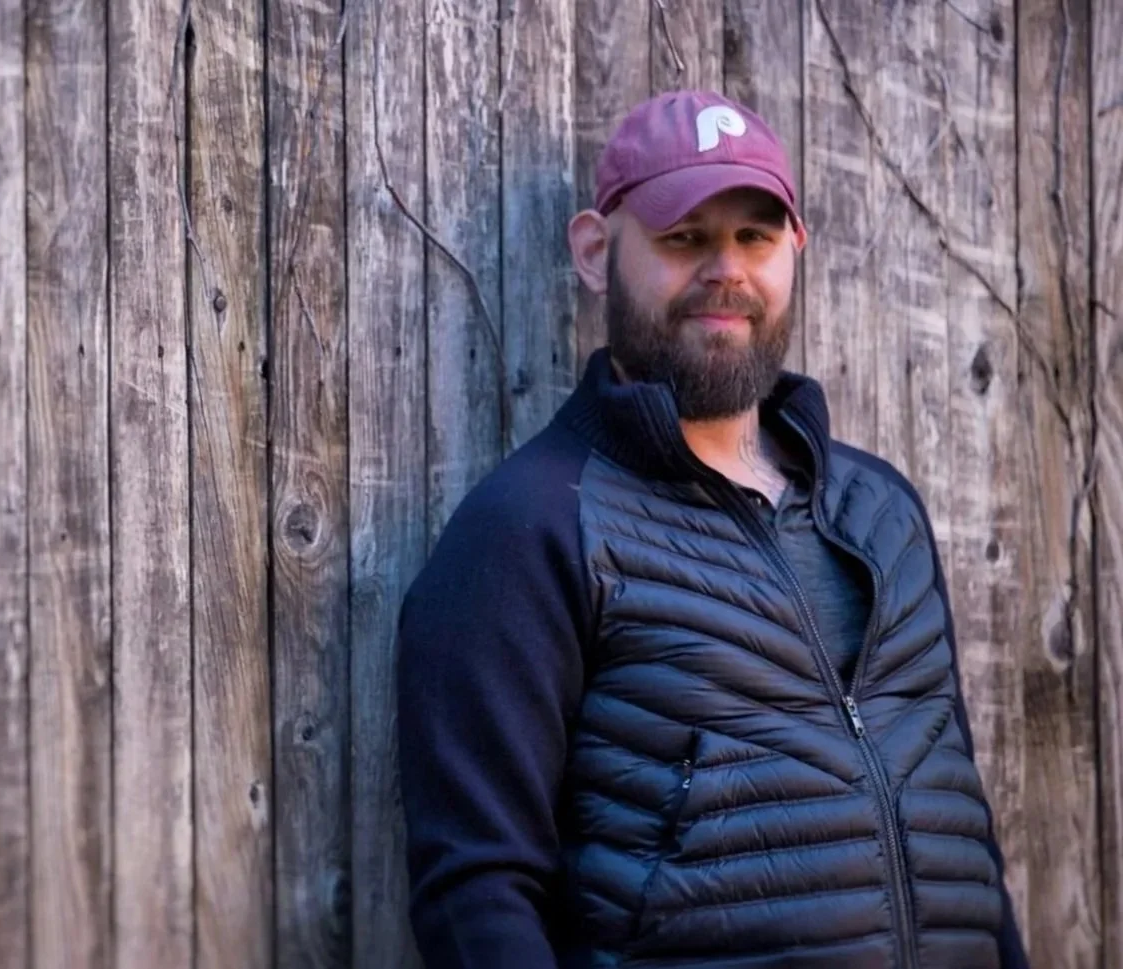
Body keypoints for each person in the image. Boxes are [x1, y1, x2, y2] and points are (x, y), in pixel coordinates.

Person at [395, 89, 1027, 969]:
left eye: (754, 236)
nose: (726, 269)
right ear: (595, 251)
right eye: (684, 237)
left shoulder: (884, 512)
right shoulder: (530, 529)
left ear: (795, 247)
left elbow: (963, 841)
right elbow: (477, 896)